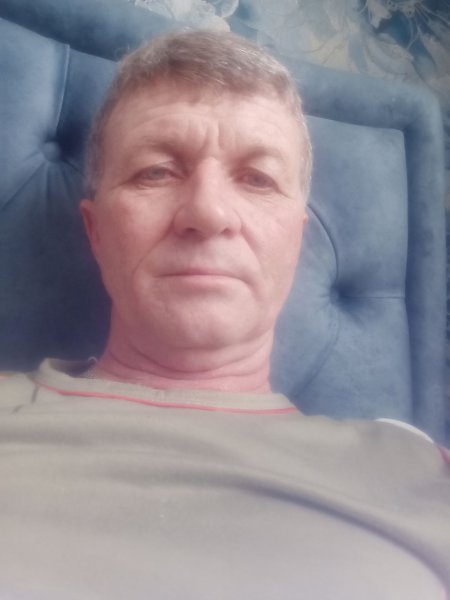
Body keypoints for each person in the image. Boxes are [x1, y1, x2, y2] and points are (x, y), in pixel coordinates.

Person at [0, 30, 449, 599]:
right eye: (156, 171)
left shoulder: (412, 463)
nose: (208, 213)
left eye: (257, 179)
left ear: (295, 241)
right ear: (96, 231)